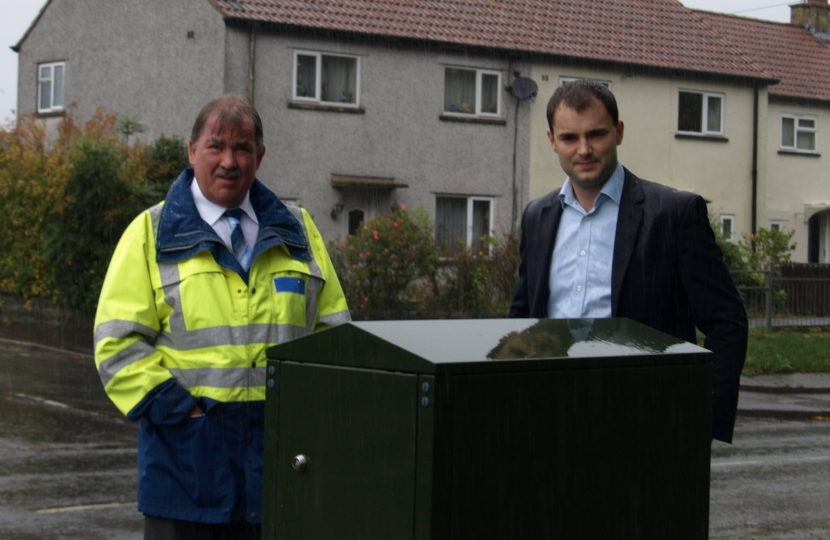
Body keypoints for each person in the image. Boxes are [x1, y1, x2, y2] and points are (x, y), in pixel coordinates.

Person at [93, 95, 350, 539]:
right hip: (186, 471)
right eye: (216, 147)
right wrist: (183, 411)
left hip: (282, 469)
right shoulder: (151, 233)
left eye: (242, 148)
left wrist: (311, 418)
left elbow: (335, 338)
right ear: (192, 151)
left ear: (260, 156)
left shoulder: (300, 232)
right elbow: (116, 345)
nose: (229, 161)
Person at [509, 80, 747, 444]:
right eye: (570, 138)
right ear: (552, 140)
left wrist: (701, 418)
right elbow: (525, 316)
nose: (584, 150)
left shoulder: (674, 214)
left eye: (597, 134)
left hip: (649, 426)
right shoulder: (536, 217)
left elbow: (726, 322)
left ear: (618, 133)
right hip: (551, 419)